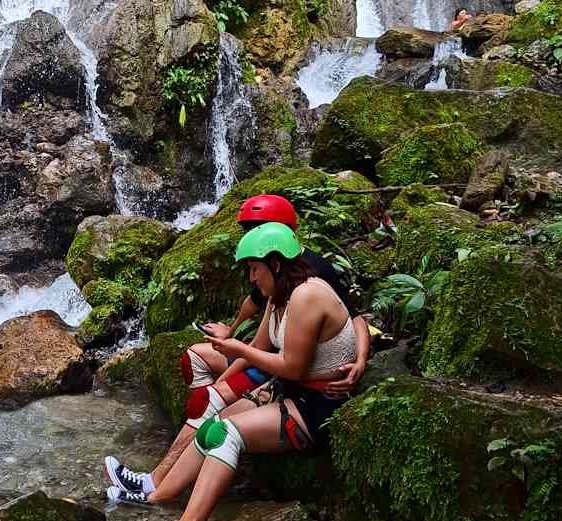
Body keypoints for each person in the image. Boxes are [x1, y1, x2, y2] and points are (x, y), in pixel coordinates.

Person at [104, 195, 370, 497]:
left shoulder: (310, 274)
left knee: (213, 402)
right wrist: (229, 335)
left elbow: (354, 318)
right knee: (198, 371)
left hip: (288, 374)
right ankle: (168, 476)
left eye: (258, 228)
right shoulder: (266, 270)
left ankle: (159, 483)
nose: (250, 236)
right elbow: (256, 315)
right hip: (271, 360)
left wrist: (360, 360)